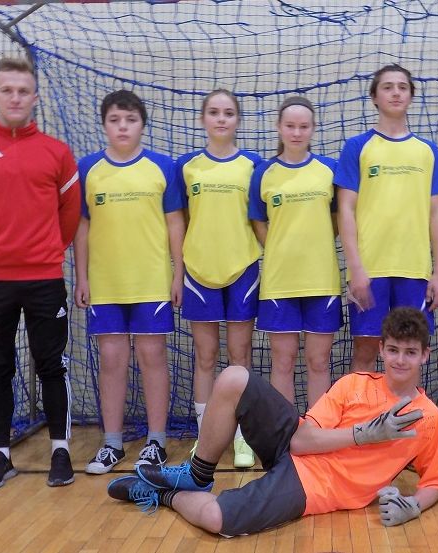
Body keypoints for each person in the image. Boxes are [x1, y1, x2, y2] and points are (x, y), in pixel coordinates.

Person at [107, 307, 438, 536]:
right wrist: (362, 435)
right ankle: (198, 474)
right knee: (234, 377)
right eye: (393, 350)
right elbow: (300, 441)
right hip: (296, 444)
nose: (400, 360)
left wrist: (413, 506)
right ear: (381, 349)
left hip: (314, 487)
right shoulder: (354, 384)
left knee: (215, 518)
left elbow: (435, 481)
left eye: (410, 352)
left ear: (425, 355)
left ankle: (162, 494)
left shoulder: (429, 419)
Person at [0, 57, 80, 489]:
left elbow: (69, 214)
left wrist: (46, 251)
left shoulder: (56, 152)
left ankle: (60, 451)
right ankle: (1, 455)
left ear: (35, 98)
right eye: (7, 90)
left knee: (52, 366)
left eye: (23, 91)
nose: (15, 98)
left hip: (45, 279)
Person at [74, 90, 185, 474]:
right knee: (111, 359)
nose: (123, 127)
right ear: (104, 125)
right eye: (115, 120)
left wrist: (178, 273)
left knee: (153, 357)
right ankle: (112, 443)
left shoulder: (162, 167)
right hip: (106, 284)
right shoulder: (88, 168)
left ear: (142, 124)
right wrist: (81, 276)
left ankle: (157, 442)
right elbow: (82, 227)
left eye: (131, 120)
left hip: (151, 282)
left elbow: (175, 224)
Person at [335, 64, 438, 372]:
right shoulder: (357, 147)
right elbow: (345, 210)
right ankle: (363, 407)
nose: (396, 92)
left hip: (414, 270)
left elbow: (436, 212)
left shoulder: (427, 151)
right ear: (374, 97)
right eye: (387, 87)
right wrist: (355, 268)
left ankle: (405, 408)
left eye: (402, 87)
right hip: (370, 270)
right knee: (366, 350)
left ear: (411, 95)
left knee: (410, 352)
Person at [176, 89, 262, 467]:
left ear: (237, 119)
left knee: (240, 357)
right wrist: (179, 270)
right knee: (206, 356)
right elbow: (180, 221)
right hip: (199, 271)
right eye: (214, 112)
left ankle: (243, 438)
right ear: (203, 119)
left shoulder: (253, 166)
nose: (221, 119)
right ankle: (205, 439)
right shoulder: (187, 167)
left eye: (228, 112)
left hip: (242, 269)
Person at [248, 96, 341, 408]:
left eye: (304, 126)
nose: (297, 133)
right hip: (280, 283)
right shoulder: (263, 173)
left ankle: (317, 427)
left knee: (319, 361)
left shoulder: (329, 170)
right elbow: (258, 221)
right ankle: (285, 432)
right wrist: (279, 247)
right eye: (290, 126)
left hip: (322, 281)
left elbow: (338, 220)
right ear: (278, 127)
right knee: (283, 361)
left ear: (313, 129)